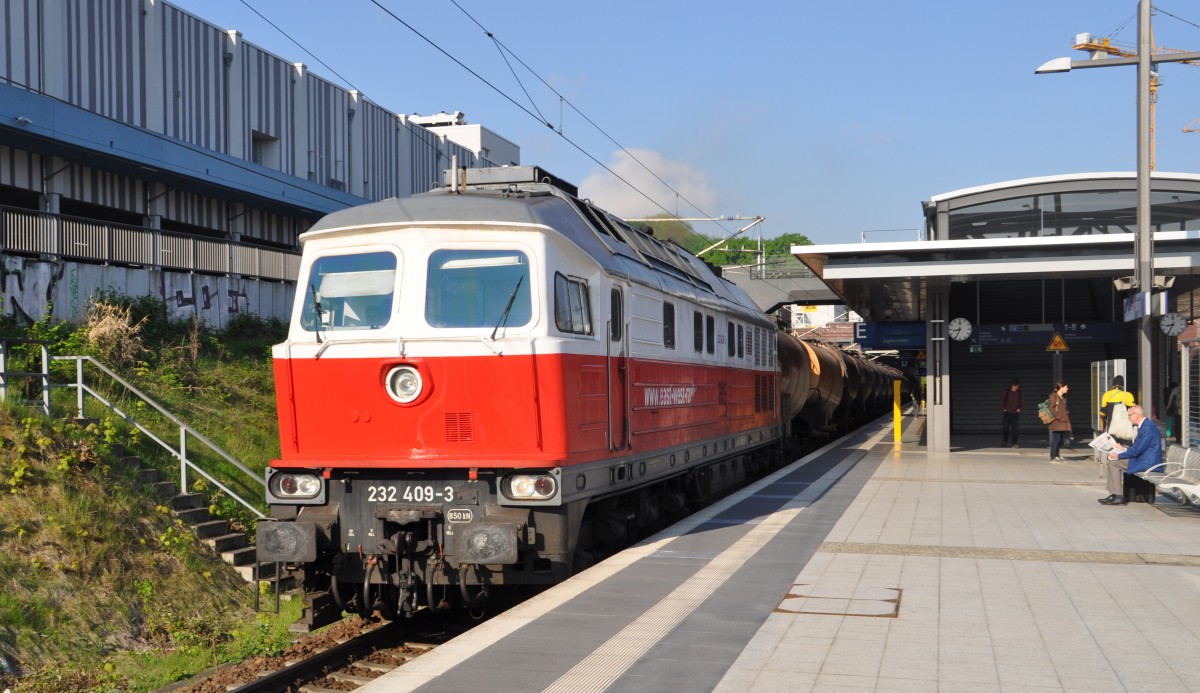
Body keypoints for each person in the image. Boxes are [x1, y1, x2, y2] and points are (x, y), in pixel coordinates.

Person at [1100, 405, 1162, 506]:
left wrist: (1119, 456)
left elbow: (1137, 450)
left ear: (1137, 415)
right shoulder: (1145, 425)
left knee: (1114, 462)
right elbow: (1139, 448)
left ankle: (1118, 495)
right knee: (1113, 459)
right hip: (1144, 459)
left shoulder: (1147, 428)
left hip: (1147, 462)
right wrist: (1123, 449)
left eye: (1129, 415)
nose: (1128, 418)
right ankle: (1115, 494)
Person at [1047, 380, 1072, 463]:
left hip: (1063, 422)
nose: (1067, 389)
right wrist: (1059, 417)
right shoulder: (1055, 396)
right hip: (1057, 422)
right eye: (1066, 387)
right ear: (1061, 387)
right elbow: (1051, 408)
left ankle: (1057, 455)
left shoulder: (1063, 398)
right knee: (1056, 439)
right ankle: (1053, 457)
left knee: (1060, 440)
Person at [1001, 378, 1023, 448]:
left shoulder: (1020, 392)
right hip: (1007, 412)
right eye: (1013, 387)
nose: (1014, 388)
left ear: (1018, 386)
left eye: (1016, 387)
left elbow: (1021, 401)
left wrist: (1019, 408)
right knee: (1005, 427)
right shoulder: (1007, 391)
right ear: (1011, 386)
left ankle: (1014, 443)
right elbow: (1003, 400)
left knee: (1015, 429)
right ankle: (1005, 440)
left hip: (1015, 413)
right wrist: (1003, 408)